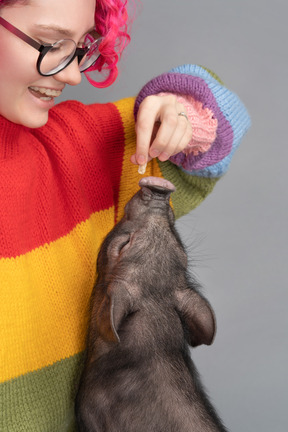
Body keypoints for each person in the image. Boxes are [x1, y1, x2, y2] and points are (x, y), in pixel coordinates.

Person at [0, 0, 251, 430]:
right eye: (49, 43)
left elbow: (222, 113)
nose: (73, 74)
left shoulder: (75, 150)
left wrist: (180, 113)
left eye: (81, 48)